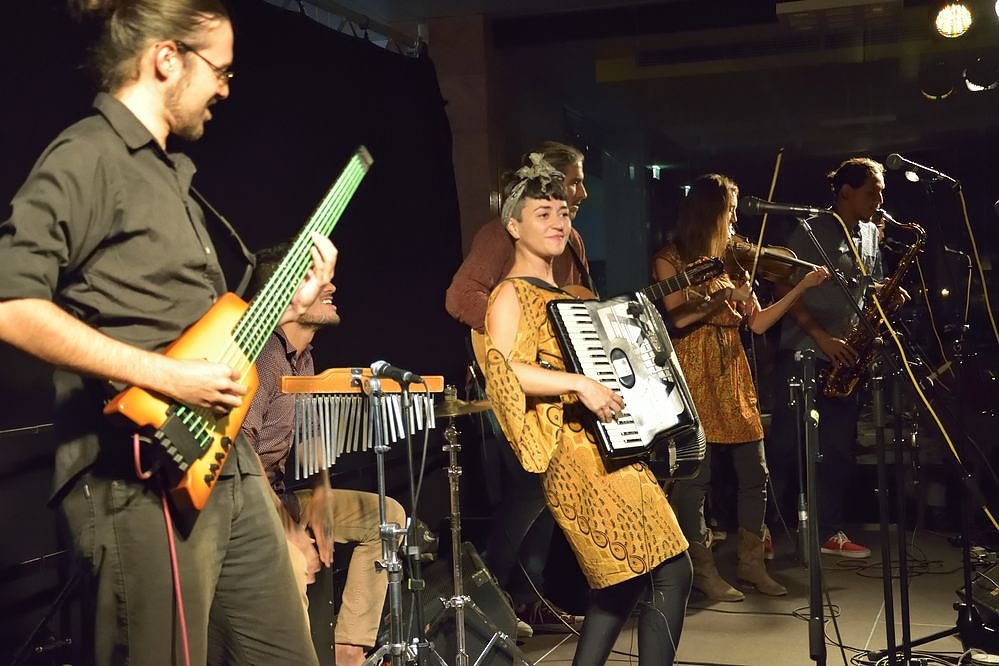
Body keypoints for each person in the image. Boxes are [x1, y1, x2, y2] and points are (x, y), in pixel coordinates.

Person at [0, 2, 335, 663]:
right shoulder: (88, 156)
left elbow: (190, 331)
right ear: (166, 58)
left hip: (224, 464)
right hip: (142, 474)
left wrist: (288, 306)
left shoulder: (171, 175)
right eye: (221, 70)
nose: (226, 89)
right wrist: (166, 376)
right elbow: (12, 303)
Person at [483, 153, 691, 665]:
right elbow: (503, 372)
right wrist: (579, 383)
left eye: (563, 212)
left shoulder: (563, 293)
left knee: (621, 585)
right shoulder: (509, 294)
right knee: (671, 571)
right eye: (543, 214)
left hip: (607, 446)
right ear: (514, 226)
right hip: (573, 456)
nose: (558, 222)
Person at [652, 174, 829, 601]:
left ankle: (752, 564)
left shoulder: (733, 261)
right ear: (710, 212)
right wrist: (722, 297)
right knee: (697, 477)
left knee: (756, 471)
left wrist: (799, 288)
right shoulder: (670, 259)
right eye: (730, 210)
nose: (735, 219)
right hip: (694, 368)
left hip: (733, 369)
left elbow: (759, 323)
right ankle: (702, 569)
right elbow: (678, 318)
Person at [234, 245, 406, 666]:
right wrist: (289, 529)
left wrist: (322, 490)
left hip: (278, 493)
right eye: (315, 279)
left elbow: (309, 436)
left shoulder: (304, 357)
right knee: (294, 563)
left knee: (386, 516)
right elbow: (242, 454)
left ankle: (349, 649)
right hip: (244, 505)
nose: (331, 286)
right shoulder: (263, 357)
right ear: (279, 296)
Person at [446, 141, 591, 633]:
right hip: (511, 382)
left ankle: (527, 598)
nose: (581, 193)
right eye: (573, 182)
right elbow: (461, 296)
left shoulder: (572, 242)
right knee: (532, 489)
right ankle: (486, 592)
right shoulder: (499, 235)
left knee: (548, 494)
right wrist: (513, 331)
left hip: (555, 389)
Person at [770, 157, 905, 559]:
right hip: (805, 351)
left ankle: (828, 531)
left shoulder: (871, 233)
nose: (880, 201)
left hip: (847, 357)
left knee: (839, 449)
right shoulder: (810, 231)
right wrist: (821, 336)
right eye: (873, 192)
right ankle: (763, 528)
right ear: (846, 192)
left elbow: (868, 284)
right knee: (786, 445)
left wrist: (887, 295)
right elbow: (782, 287)